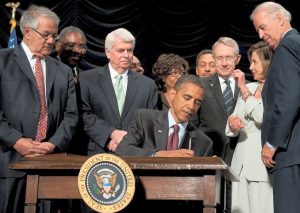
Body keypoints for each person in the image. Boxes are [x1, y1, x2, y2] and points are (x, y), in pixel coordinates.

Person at [0, 5, 77, 213]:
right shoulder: (2, 61)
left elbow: (71, 116)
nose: (52, 41)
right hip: (8, 163)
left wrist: (53, 144)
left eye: (54, 35)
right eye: (46, 34)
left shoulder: (63, 71)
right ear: (27, 32)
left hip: (50, 165)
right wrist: (16, 140)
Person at [250, 2, 300, 213]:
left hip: (290, 151)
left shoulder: (288, 45)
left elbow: (288, 98)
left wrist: (272, 143)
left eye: (263, 27)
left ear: (280, 19)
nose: (261, 34)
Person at [79, 28, 158, 156]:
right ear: (108, 52)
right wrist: (111, 134)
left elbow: (150, 121)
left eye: (130, 50)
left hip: (134, 153)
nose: (126, 55)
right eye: (121, 50)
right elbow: (84, 114)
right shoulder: (87, 79)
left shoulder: (147, 85)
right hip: (98, 151)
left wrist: (127, 141)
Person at [225, 41, 273, 213]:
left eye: (255, 62)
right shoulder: (251, 87)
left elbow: (261, 117)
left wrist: (244, 90)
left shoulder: (275, 88)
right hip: (240, 164)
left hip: (261, 165)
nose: (250, 67)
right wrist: (232, 122)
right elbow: (233, 122)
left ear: (268, 62)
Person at [116, 74, 212, 157]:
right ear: (172, 95)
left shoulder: (203, 142)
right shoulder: (144, 119)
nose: (191, 106)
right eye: (187, 98)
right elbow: (122, 150)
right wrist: (159, 155)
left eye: (197, 102)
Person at [197, 37, 241, 212]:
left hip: (241, 156)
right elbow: (193, 125)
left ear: (237, 59)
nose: (223, 63)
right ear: (214, 59)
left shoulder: (248, 85)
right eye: (219, 58)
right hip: (210, 156)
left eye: (228, 58)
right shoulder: (201, 85)